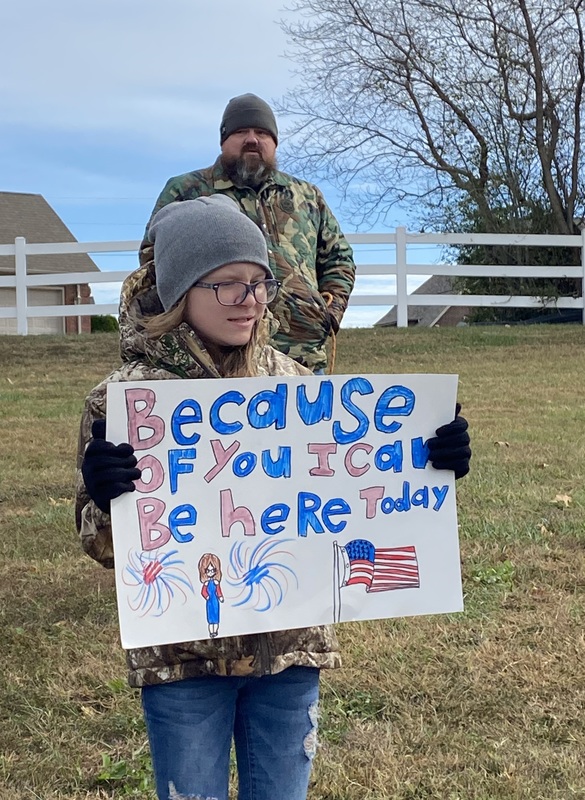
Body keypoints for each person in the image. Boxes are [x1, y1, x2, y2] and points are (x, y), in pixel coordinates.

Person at [76, 196, 471, 800]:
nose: (251, 300)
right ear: (180, 290)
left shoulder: (296, 387)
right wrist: (107, 501)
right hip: (183, 660)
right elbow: (102, 547)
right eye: (228, 284)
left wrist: (428, 463)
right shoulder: (124, 402)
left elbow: (354, 493)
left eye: (259, 282)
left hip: (289, 653)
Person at [119, 92, 356, 374]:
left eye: (262, 133)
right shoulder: (187, 190)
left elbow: (339, 257)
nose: (252, 139)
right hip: (217, 361)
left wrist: (329, 312)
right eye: (241, 131)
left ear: (275, 142)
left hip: (303, 354)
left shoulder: (306, 195)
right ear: (223, 140)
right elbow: (156, 262)